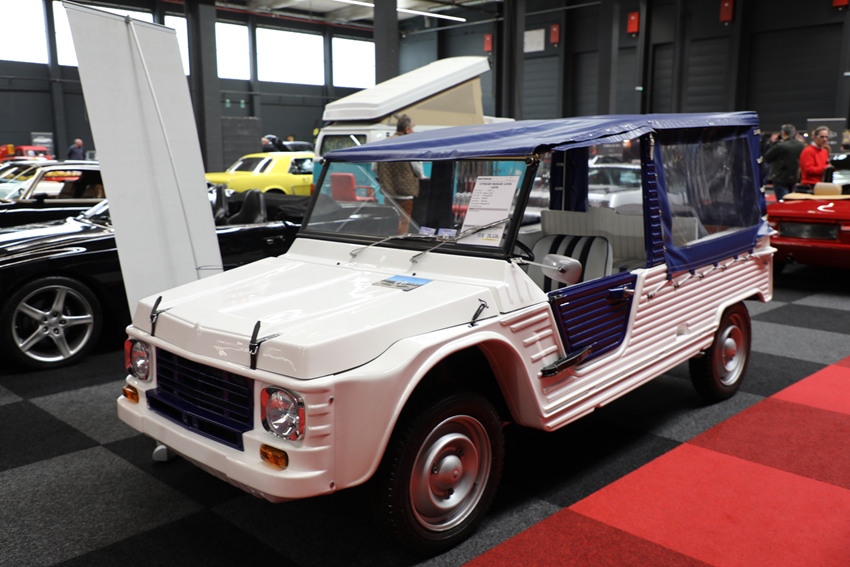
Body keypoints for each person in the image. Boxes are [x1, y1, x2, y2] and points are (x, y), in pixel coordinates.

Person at [376, 114, 423, 234]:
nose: (413, 131)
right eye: (412, 128)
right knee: (404, 221)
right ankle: (400, 242)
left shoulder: (383, 144)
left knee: (389, 220)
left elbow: (374, 167)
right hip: (405, 192)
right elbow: (418, 169)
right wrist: (421, 177)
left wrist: (386, 177)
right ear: (406, 130)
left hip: (388, 191)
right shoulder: (409, 145)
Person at [763, 124, 805, 200]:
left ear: (783, 133)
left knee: (782, 200)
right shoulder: (801, 145)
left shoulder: (780, 146)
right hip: (794, 176)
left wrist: (773, 143)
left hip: (780, 176)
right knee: (791, 199)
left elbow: (767, 157)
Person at [798, 125, 832, 192]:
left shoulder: (824, 151)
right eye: (822, 137)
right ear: (814, 137)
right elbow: (809, 170)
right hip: (810, 186)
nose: (824, 139)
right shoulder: (808, 151)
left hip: (821, 185)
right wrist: (826, 168)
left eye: (826, 137)